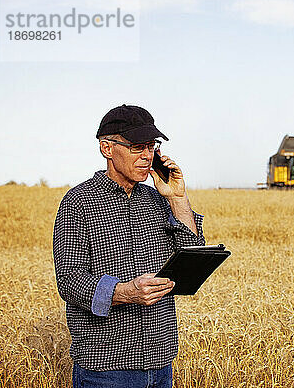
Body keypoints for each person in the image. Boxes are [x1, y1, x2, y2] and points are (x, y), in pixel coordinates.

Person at [53, 104, 205, 388]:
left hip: (161, 363)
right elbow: (69, 281)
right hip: (106, 369)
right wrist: (125, 292)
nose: (148, 156)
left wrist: (178, 198)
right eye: (137, 147)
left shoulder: (159, 199)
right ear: (106, 148)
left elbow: (192, 254)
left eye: (152, 146)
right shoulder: (78, 202)